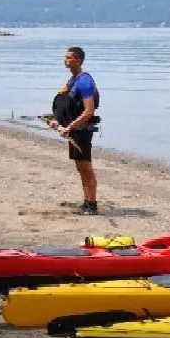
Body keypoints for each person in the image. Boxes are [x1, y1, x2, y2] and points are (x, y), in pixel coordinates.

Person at [47, 46, 101, 215]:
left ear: (78, 60)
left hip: (82, 131)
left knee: (86, 167)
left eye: (69, 57)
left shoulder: (85, 81)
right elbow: (67, 106)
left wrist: (69, 127)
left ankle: (92, 204)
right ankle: (86, 201)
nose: (65, 60)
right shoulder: (72, 80)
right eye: (65, 57)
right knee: (80, 167)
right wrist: (56, 121)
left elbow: (89, 111)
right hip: (73, 130)